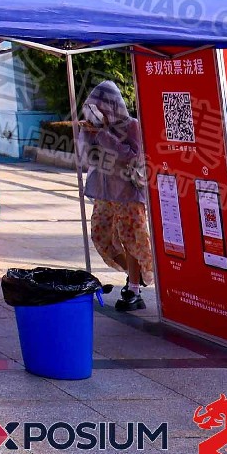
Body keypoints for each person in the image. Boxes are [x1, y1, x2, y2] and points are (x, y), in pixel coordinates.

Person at [81, 79, 154, 312]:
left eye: (100, 107)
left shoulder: (131, 125)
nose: (98, 112)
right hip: (104, 192)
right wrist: (88, 135)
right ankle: (136, 275)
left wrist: (103, 135)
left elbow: (133, 156)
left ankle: (134, 287)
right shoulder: (97, 127)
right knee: (100, 235)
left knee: (131, 239)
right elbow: (89, 158)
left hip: (128, 192)